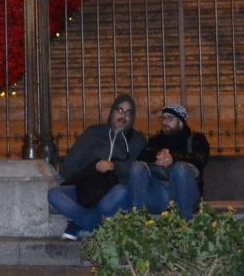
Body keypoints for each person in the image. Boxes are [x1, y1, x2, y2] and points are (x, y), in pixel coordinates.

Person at [47, 92, 139, 239]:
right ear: (112, 112)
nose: (123, 116)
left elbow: (138, 171)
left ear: (132, 117)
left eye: (128, 112)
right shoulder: (93, 133)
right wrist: (91, 171)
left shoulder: (137, 140)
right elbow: (70, 164)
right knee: (55, 194)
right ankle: (93, 223)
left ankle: (78, 222)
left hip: (113, 192)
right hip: (85, 189)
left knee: (121, 192)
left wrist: (114, 166)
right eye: (119, 110)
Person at [126, 102, 210, 220]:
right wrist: (158, 156)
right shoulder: (156, 140)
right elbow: (142, 158)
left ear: (181, 121)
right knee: (137, 167)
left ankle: (184, 224)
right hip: (160, 194)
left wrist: (173, 158)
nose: (165, 122)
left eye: (170, 118)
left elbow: (200, 159)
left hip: (186, 193)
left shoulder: (196, 139)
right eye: (163, 118)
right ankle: (136, 221)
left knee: (179, 168)